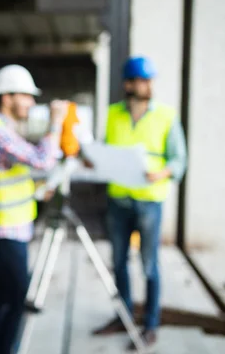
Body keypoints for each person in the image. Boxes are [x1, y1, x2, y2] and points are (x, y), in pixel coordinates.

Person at [92, 56, 187, 349]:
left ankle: (151, 324)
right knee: (118, 262)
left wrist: (163, 172)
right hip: (119, 199)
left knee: (149, 266)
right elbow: (105, 151)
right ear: (128, 84)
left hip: (149, 201)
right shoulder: (111, 114)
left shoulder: (167, 116)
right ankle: (124, 317)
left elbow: (179, 160)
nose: (147, 86)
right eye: (142, 81)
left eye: (149, 81)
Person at [0, 64, 68, 354]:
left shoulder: (5, 131)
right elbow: (42, 160)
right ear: (6, 97)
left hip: (12, 226)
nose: (31, 102)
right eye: (26, 96)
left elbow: (15, 173)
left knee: (4, 297)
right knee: (14, 299)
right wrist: (56, 123)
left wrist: (38, 189)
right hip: (3, 228)